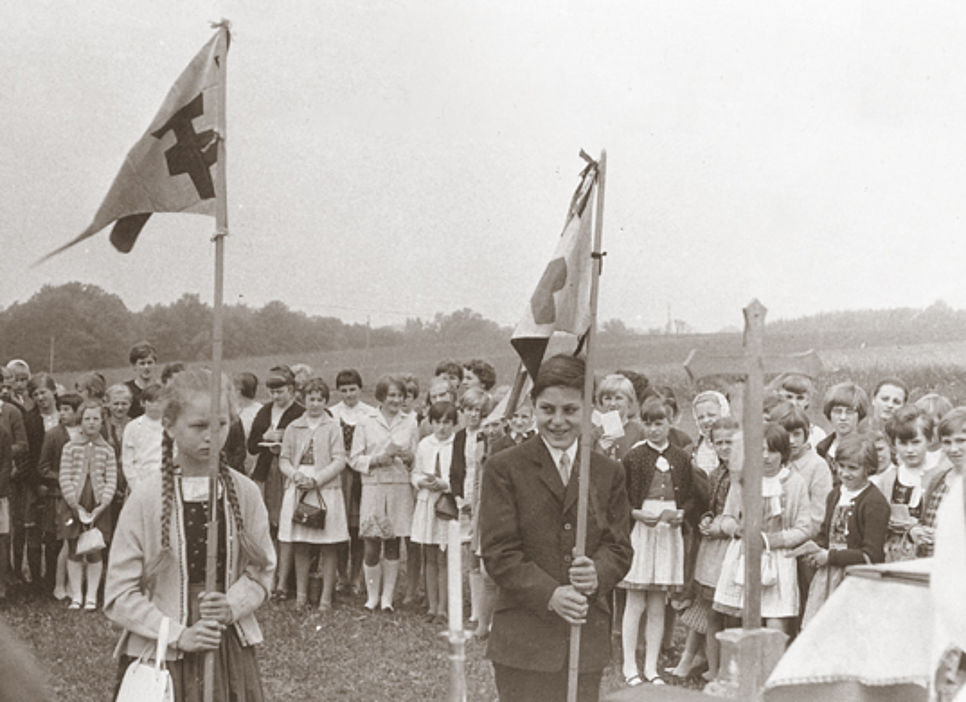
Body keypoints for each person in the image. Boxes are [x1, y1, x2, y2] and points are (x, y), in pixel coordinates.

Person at [104, 368, 275, 702]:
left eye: (221, 425)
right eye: (198, 426)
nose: (212, 437)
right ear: (168, 426)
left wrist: (231, 605)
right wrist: (178, 635)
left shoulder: (246, 493)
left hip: (224, 644)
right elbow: (118, 594)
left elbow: (261, 571)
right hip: (162, 653)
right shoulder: (145, 498)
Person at [480, 354, 632, 702]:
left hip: (584, 639)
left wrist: (598, 572)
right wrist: (550, 594)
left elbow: (619, 546)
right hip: (523, 643)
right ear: (533, 406)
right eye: (548, 409)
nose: (558, 421)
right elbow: (499, 552)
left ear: (588, 409)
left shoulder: (608, 471)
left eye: (570, 410)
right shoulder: (504, 468)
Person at [619, 397, 696, 687]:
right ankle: (629, 663)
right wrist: (635, 512)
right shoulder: (634, 457)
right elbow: (619, 497)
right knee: (635, 599)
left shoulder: (680, 457)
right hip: (642, 529)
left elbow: (690, 494)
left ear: (670, 422)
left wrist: (682, 513)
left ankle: (651, 666)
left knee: (657, 602)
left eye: (659, 423)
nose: (653, 429)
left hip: (667, 531)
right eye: (648, 423)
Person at [713, 423, 810, 634]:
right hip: (744, 555)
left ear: (783, 453)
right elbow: (727, 517)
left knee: (775, 622)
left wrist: (771, 540)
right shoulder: (743, 481)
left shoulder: (795, 483)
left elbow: (804, 528)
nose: (766, 457)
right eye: (760, 450)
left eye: (772, 451)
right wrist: (736, 530)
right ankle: (741, 665)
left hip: (778, 560)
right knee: (739, 619)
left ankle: (772, 666)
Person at [671, 417, 739, 682]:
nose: (724, 447)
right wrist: (706, 519)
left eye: (729, 442)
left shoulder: (744, 474)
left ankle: (726, 669)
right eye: (718, 442)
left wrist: (720, 526)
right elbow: (710, 504)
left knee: (728, 612)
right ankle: (712, 669)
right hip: (713, 547)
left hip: (732, 544)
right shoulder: (716, 473)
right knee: (710, 609)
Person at [801, 433, 890, 626]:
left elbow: (871, 555)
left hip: (856, 579)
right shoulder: (835, 494)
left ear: (868, 469)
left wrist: (830, 557)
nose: (845, 473)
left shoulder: (874, 502)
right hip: (827, 578)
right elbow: (826, 534)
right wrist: (815, 547)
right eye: (842, 466)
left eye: (853, 468)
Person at [349, 374, 419, 613]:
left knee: (392, 543)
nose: (396, 400)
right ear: (381, 396)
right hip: (375, 486)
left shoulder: (410, 421)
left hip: (399, 487)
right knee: (371, 543)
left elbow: (416, 457)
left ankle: (387, 598)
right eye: (391, 395)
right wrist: (379, 459)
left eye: (400, 395)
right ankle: (372, 596)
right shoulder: (366, 421)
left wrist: (408, 458)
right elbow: (354, 459)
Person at [277, 378, 347, 610]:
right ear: (303, 399)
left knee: (328, 544)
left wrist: (316, 480)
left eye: (320, 399)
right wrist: (296, 476)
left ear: (326, 401)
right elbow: (284, 459)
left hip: (325, 488)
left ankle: (326, 598)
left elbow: (339, 459)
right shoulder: (293, 427)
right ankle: (301, 596)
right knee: (300, 543)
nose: (315, 404)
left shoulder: (333, 426)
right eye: (311, 399)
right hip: (298, 487)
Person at [59, 400, 116, 610]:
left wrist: (103, 504)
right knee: (74, 547)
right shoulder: (70, 447)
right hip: (74, 503)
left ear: (102, 422)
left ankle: (91, 595)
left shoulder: (107, 450)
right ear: (80, 421)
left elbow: (111, 479)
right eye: (87, 419)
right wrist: (74, 504)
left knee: (95, 548)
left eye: (96, 419)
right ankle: (77, 595)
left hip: (98, 504)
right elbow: (64, 476)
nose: (91, 423)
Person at [410, 401, 463, 623]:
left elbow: (461, 477)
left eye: (447, 423)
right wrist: (423, 481)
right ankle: (432, 606)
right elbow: (414, 473)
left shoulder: (457, 444)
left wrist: (444, 484)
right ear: (430, 423)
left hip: (447, 505)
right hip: (427, 503)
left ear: (453, 424)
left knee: (444, 557)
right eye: (438, 422)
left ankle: (443, 607)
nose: (442, 428)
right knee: (429, 555)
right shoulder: (424, 445)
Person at [328, 369, 379, 596]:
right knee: (339, 525)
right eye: (344, 390)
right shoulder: (332, 413)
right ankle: (341, 576)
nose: (349, 394)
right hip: (339, 474)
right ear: (338, 391)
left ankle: (356, 576)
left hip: (361, 474)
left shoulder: (369, 413)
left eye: (353, 389)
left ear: (360, 388)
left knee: (358, 527)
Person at [246, 366, 304, 541]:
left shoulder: (300, 412)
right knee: (265, 518)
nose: (275, 396)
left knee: (286, 518)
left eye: (280, 392)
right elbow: (252, 446)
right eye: (272, 392)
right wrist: (265, 436)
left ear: (291, 390)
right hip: (265, 472)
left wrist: (285, 441)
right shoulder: (265, 411)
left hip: (289, 472)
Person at [873, 404, 933, 562]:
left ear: (929, 440)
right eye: (903, 443)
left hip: (932, 556)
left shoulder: (939, 476)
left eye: (915, 442)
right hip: (895, 557)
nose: (909, 450)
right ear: (893, 444)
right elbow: (878, 521)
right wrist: (908, 529)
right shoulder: (887, 481)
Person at [36, 392, 82, 599]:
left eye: (67, 410)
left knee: (81, 540)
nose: (62, 414)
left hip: (84, 495)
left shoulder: (85, 433)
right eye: (61, 409)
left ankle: (77, 584)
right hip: (60, 496)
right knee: (63, 540)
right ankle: (58, 583)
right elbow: (43, 468)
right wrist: (65, 479)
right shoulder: (54, 434)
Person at [915, 407, 966, 558]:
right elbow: (925, 520)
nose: (953, 449)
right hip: (933, 563)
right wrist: (917, 531)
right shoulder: (938, 479)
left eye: (961, 441)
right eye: (947, 442)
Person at [121, 384, 164, 493]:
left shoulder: (171, 425)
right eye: (151, 401)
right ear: (143, 403)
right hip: (140, 480)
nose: (155, 405)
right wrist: (136, 486)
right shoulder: (132, 427)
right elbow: (127, 460)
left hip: (165, 481)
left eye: (159, 401)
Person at [593, 374, 645, 462]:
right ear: (601, 402)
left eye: (618, 398)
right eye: (608, 398)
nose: (612, 403)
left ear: (629, 401)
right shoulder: (594, 434)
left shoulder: (639, 431)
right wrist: (600, 450)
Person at [815, 381, 869, 462]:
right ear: (829, 414)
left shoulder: (867, 448)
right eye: (837, 411)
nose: (843, 417)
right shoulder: (821, 449)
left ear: (859, 414)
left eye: (849, 412)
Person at [773, 373, 827, 447]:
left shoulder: (817, 435)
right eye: (789, 397)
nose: (794, 403)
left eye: (800, 398)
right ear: (779, 397)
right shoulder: (771, 429)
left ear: (807, 401)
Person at [124, 341, 158, 418]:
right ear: (134, 366)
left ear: (155, 364)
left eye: (149, 363)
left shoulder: (161, 390)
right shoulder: (126, 390)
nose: (146, 367)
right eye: (142, 363)